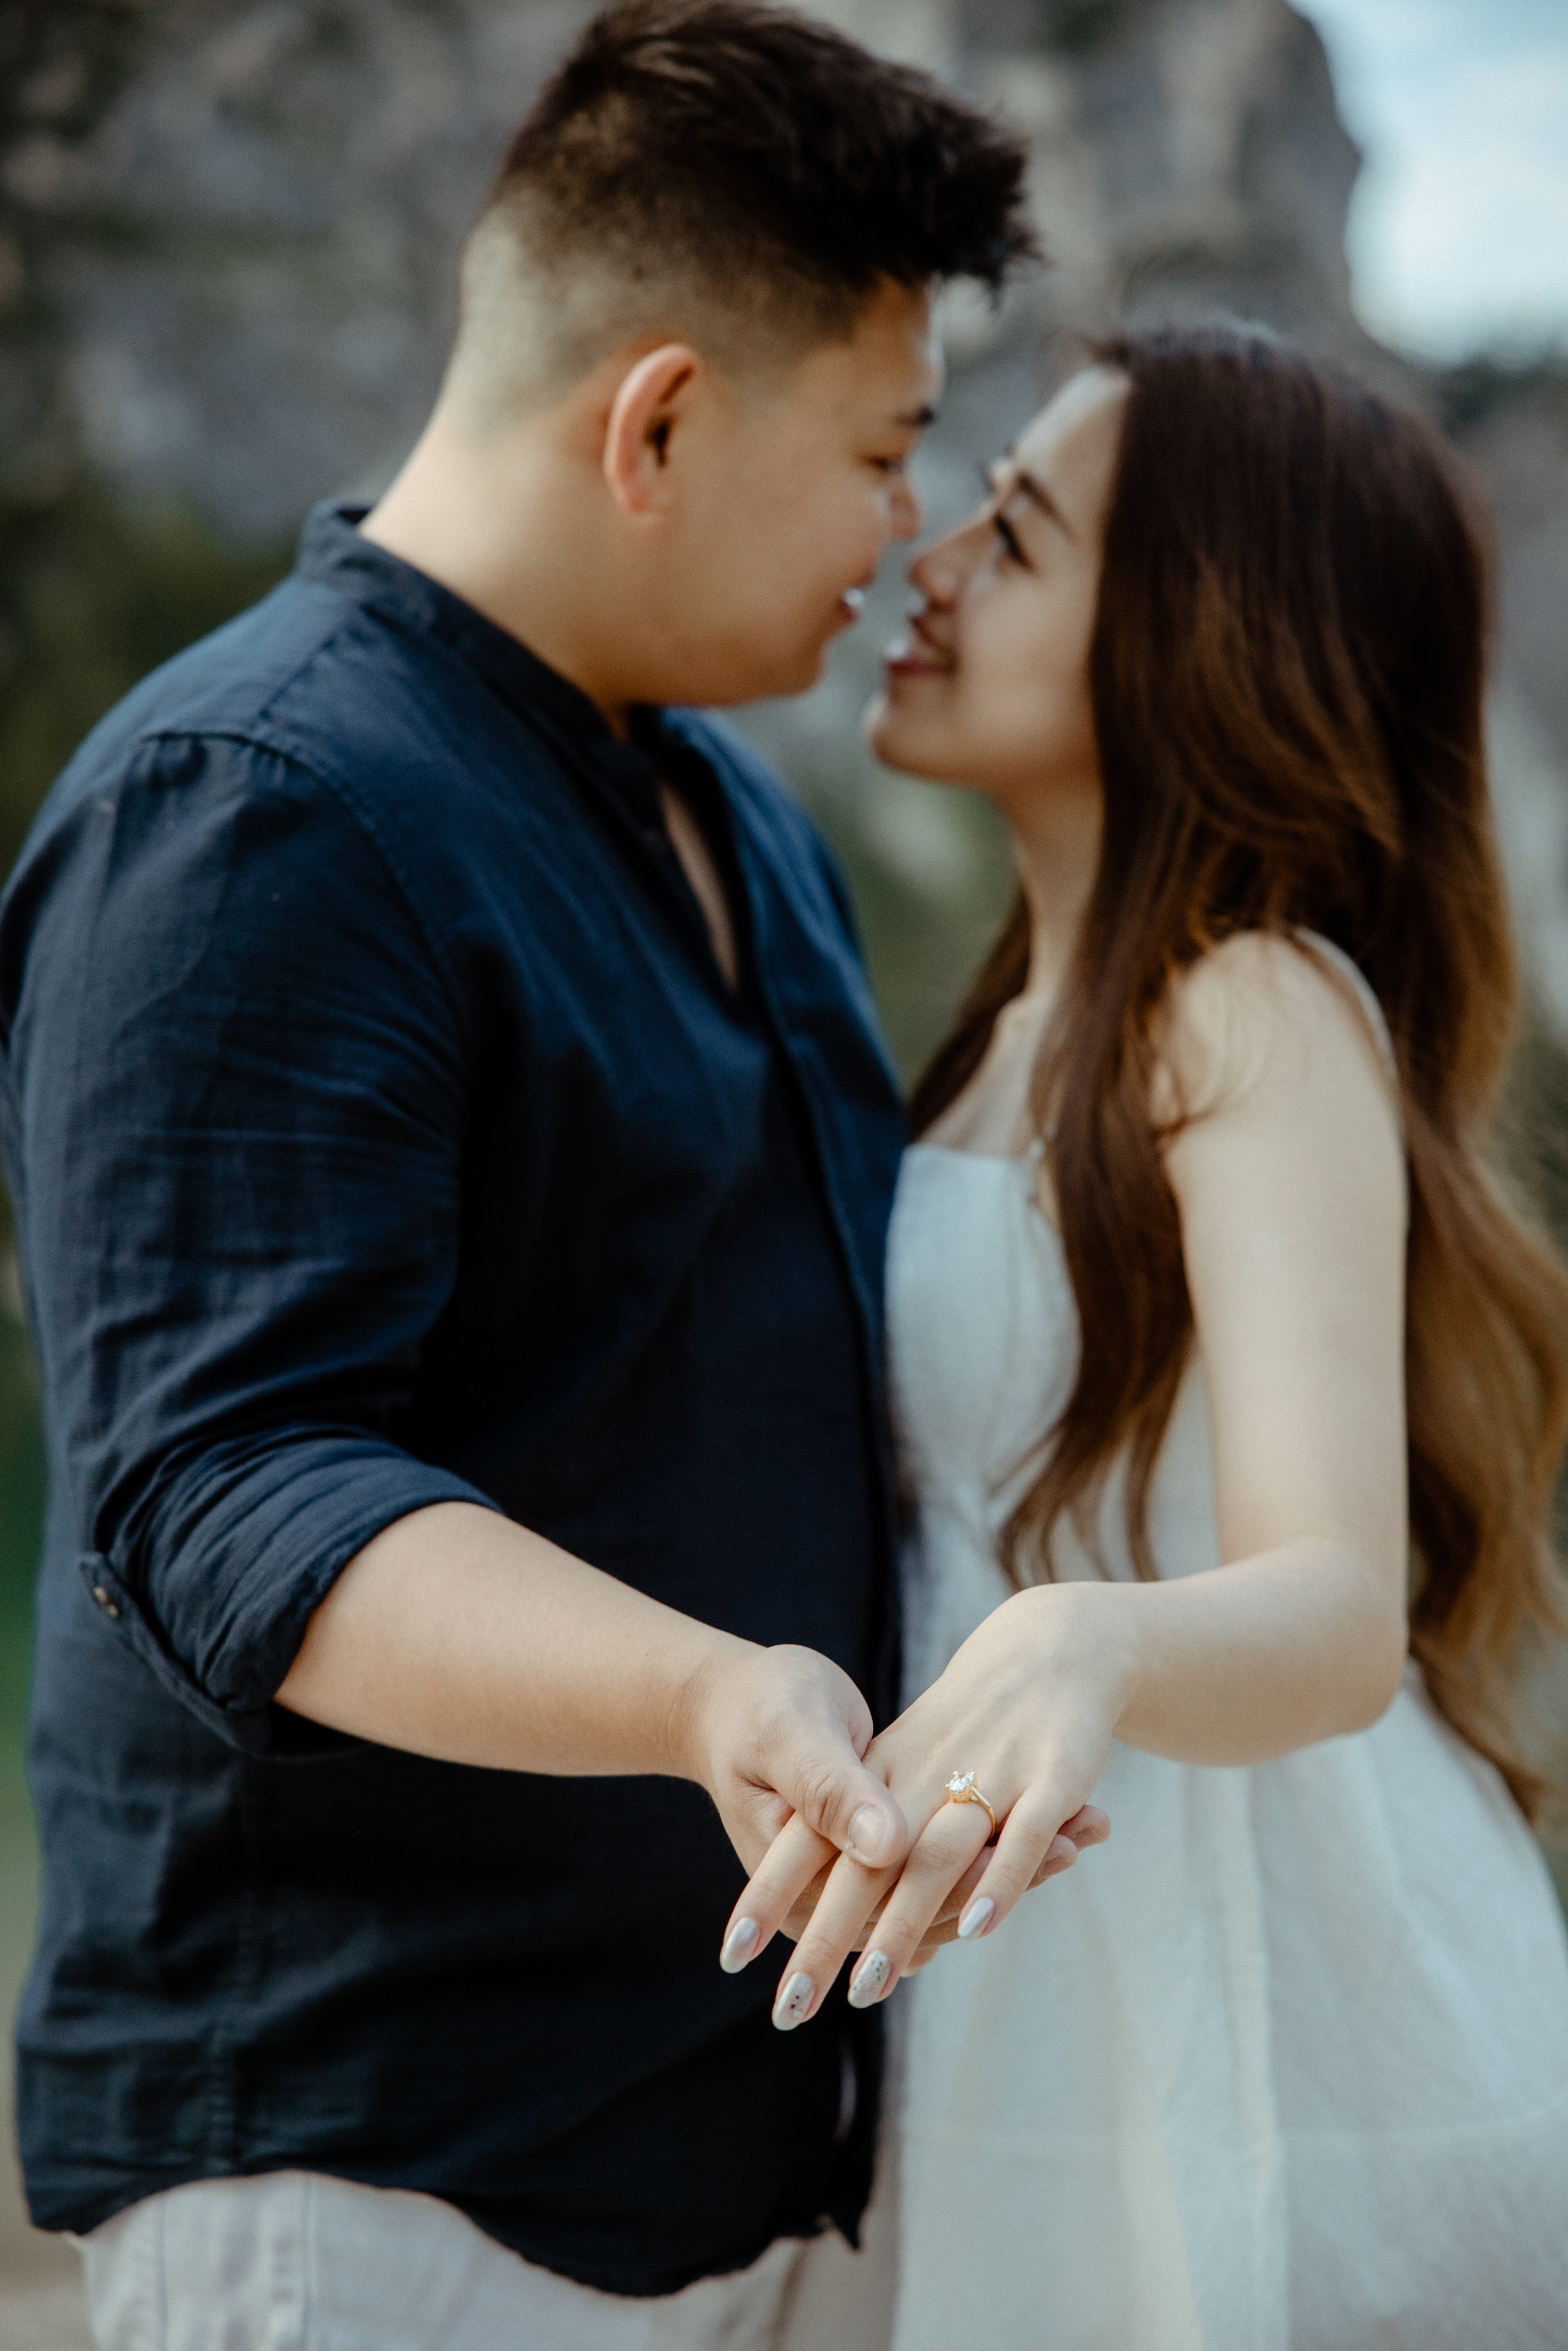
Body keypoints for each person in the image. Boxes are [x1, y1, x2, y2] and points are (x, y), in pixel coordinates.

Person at [0, 8, 1107, 2345]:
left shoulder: (744, 821)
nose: (906, 529)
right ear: (664, 418)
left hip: (731, 2157)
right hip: (382, 2186)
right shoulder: (260, 806)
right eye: (885, 452)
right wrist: (714, 1696)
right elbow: (225, 1480)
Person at [727, 327, 1568, 2347]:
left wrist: (1075, 1634)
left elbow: (1340, 1607)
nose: (929, 559)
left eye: (1014, 536)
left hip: (1263, 1997)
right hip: (1027, 1971)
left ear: (1197, 638)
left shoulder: (1250, 1005)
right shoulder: (1005, 1035)